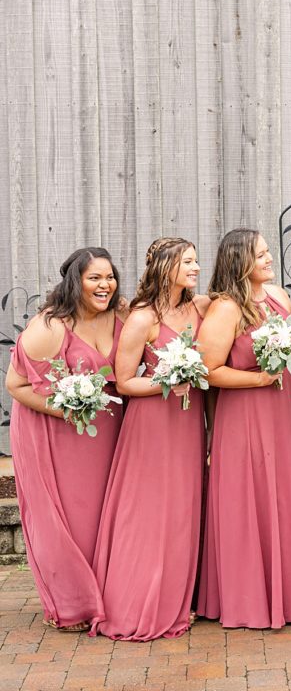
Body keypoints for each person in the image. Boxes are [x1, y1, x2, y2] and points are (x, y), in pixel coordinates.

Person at [91, 237, 209, 640]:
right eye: (188, 262)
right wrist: (168, 378)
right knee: (148, 512)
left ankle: (176, 600)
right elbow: (124, 382)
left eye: (196, 261)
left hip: (188, 423)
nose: (195, 267)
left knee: (182, 510)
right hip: (152, 424)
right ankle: (136, 602)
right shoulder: (143, 318)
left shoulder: (200, 307)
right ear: (166, 267)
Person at [196, 228, 291, 628]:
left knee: (285, 494)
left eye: (267, 252)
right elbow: (209, 371)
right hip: (247, 412)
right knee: (250, 496)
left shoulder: (279, 296)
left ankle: (290, 594)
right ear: (238, 260)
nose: (268, 258)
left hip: (286, 410)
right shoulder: (226, 308)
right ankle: (248, 597)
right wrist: (259, 380)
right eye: (260, 254)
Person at [7, 248, 126, 632]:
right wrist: (68, 410)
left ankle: (107, 594)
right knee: (68, 516)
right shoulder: (50, 326)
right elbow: (15, 385)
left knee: (102, 513)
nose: (104, 285)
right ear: (75, 280)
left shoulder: (120, 315)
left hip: (106, 429)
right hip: (54, 428)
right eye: (94, 278)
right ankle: (72, 603)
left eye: (109, 277)